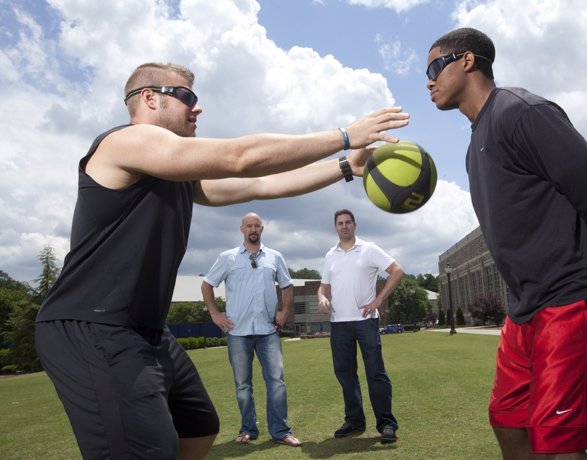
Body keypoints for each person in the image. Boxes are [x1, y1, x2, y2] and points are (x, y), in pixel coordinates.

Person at [34, 62, 409, 459]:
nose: (197, 109)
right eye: (187, 97)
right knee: (149, 449)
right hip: (91, 326)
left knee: (198, 427)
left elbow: (261, 183)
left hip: (144, 330)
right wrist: (344, 136)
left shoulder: (180, 176)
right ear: (149, 98)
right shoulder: (124, 143)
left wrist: (345, 167)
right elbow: (240, 157)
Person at [425, 28, 587, 459]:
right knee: (509, 421)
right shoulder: (476, 140)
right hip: (526, 306)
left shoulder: (522, 112)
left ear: (469, 61)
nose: (428, 80)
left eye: (435, 67)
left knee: (557, 444)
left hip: (573, 293)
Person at [201, 212, 300, 447]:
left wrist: (284, 312)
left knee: (277, 382)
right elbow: (207, 285)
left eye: (256, 225)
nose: (253, 229)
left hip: (268, 331)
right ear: (242, 229)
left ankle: (281, 431)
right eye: (249, 226)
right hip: (237, 333)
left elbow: (287, 286)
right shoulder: (228, 258)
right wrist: (215, 314)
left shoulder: (275, 257)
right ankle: (248, 429)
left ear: (262, 229)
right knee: (243, 385)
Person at [317, 209, 404, 444]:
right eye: (339, 223)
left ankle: (386, 424)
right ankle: (355, 422)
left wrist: (378, 300)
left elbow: (397, 271)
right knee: (346, 375)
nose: (344, 226)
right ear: (335, 227)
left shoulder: (369, 249)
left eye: (348, 222)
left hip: (366, 321)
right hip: (339, 325)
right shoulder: (330, 255)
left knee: (376, 374)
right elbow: (323, 287)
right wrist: (322, 297)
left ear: (355, 224)